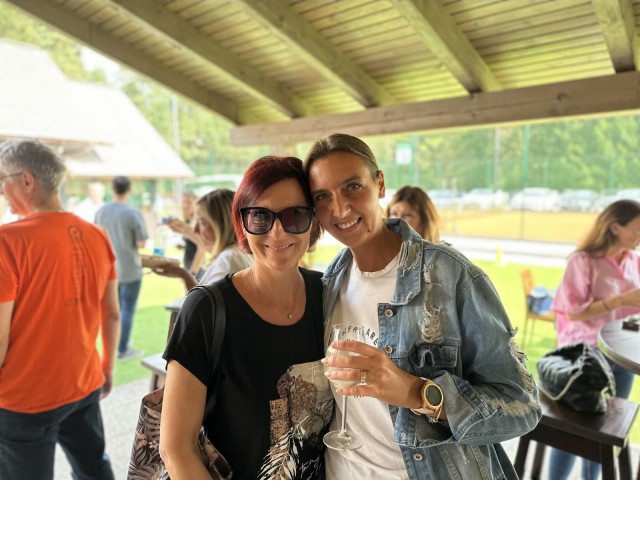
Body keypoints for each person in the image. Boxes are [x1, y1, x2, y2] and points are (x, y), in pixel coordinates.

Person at [303, 133, 541, 480]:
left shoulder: (450, 275)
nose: (339, 209)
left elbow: (522, 405)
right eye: (322, 196)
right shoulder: (331, 282)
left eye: (353, 186)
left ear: (380, 184)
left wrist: (417, 393)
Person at [159, 156, 333, 479]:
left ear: (314, 222)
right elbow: (176, 449)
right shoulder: (206, 309)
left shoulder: (329, 295)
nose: (277, 231)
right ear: (242, 224)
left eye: (295, 215)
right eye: (260, 216)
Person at [0, 139, 119, 480]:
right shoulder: (97, 235)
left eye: (3, 181)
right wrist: (107, 367)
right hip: (84, 384)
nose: (2, 192)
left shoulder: (7, 241)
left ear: (26, 181)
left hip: (24, 400)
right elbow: (112, 313)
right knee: (94, 468)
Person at [548, 199, 640, 480]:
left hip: (621, 356)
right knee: (572, 431)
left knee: (605, 430)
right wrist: (620, 300)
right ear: (615, 227)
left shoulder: (634, 261)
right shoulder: (583, 261)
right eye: (637, 229)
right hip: (583, 356)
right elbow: (573, 313)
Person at [148, 188, 253, 291]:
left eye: (202, 222)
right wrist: (183, 275)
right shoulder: (238, 254)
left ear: (221, 225)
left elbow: (203, 302)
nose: (195, 230)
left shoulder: (228, 259)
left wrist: (186, 275)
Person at [95, 176, 148, 360]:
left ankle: (113, 346)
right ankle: (123, 348)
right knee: (127, 309)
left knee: (110, 311)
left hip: (107, 269)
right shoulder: (133, 213)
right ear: (129, 190)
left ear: (113, 189)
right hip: (130, 269)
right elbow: (141, 243)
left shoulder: (101, 212)